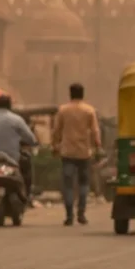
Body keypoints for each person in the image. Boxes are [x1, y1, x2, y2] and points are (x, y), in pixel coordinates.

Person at [52, 83, 102, 226]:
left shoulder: (63, 110)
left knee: (68, 185)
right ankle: (81, 213)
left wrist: (55, 146)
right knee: (83, 184)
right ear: (82, 94)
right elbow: (95, 131)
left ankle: (69, 215)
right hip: (84, 153)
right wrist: (98, 146)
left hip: (67, 152)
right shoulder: (89, 110)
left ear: (70, 94)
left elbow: (56, 130)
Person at [0, 94, 38, 198]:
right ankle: (26, 195)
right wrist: (32, 143)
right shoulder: (17, 120)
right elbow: (31, 139)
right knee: (26, 167)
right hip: (11, 160)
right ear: (10, 106)